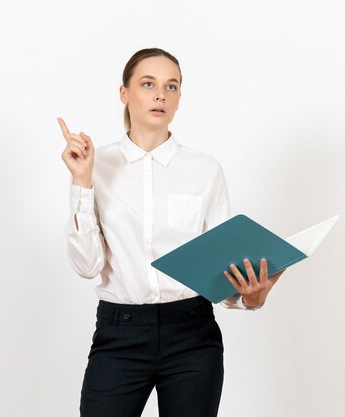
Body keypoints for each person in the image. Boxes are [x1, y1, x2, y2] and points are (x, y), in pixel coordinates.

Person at [57, 47, 285, 417]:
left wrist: (250, 298)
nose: (161, 94)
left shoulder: (204, 170)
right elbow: (86, 266)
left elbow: (220, 265)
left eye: (172, 86)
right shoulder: (95, 165)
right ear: (124, 93)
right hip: (120, 334)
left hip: (192, 336)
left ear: (179, 98)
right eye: (148, 84)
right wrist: (81, 181)